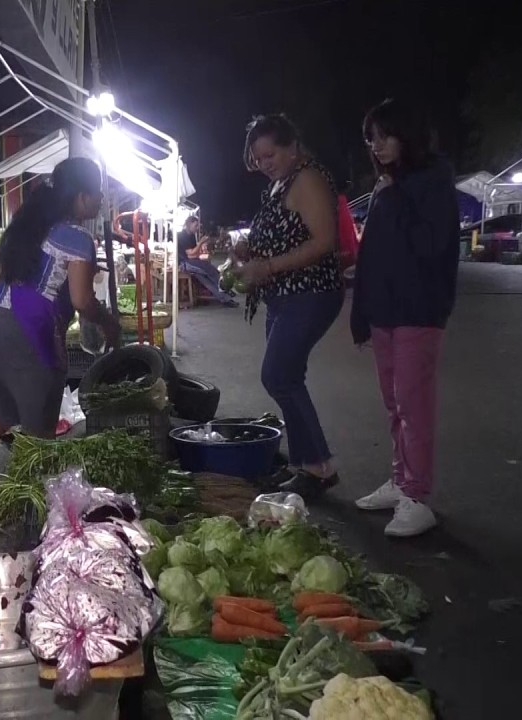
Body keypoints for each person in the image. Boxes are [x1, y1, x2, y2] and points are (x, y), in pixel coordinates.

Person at [0, 158, 120, 516]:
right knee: (39, 437)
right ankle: (26, 519)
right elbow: (83, 300)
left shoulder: (33, 225)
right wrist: (109, 323)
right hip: (28, 334)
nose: (100, 201)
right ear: (82, 197)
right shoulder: (78, 238)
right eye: (97, 194)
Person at [350, 98, 460, 537]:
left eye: (384, 136)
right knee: (394, 403)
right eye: (371, 139)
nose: (376, 146)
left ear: (407, 135)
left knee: (414, 405)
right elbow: (371, 255)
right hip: (384, 311)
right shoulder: (387, 185)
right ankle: (400, 481)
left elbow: (431, 244)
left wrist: (393, 195)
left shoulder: (431, 180)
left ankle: (418, 495)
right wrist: (361, 314)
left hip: (419, 309)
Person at [234, 115, 344, 499]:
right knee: (287, 376)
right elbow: (282, 234)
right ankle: (306, 465)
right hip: (283, 296)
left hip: (311, 292)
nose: (265, 163)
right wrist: (250, 252)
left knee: (278, 375)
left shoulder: (307, 178)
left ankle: (318, 466)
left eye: (271, 154)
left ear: (293, 146)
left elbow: (324, 241)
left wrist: (267, 266)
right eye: (259, 157)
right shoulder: (277, 185)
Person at [178, 216, 239, 307]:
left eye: (198, 225)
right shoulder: (182, 236)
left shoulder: (192, 236)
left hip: (192, 261)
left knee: (205, 280)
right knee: (210, 270)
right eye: (196, 225)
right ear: (189, 224)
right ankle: (225, 288)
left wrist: (202, 247)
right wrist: (200, 243)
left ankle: (226, 300)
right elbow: (190, 253)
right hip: (185, 263)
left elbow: (195, 252)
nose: (197, 228)